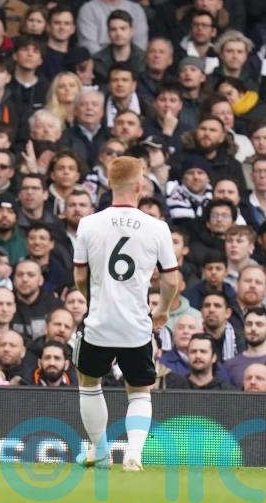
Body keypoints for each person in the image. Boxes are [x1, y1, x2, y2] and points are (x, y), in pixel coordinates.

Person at [73, 156, 179, 471]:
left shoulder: (88, 224)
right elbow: (171, 279)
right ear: (139, 185)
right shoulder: (157, 227)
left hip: (99, 322)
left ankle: (101, 452)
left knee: (89, 382)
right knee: (139, 390)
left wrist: (95, 298)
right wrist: (161, 311)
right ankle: (134, 455)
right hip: (136, 324)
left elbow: (79, 277)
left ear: (109, 184)